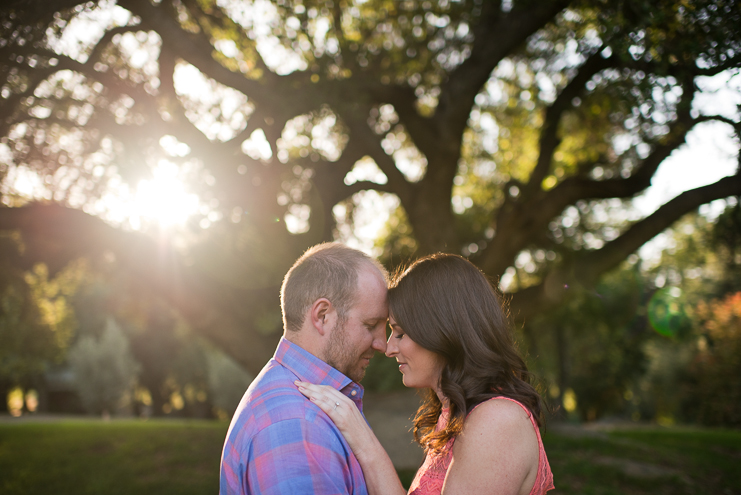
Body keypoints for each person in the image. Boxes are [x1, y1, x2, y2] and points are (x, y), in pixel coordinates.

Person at [296, 253, 554, 495]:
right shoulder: (457, 416)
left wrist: (363, 439)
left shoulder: (497, 420)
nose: (388, 348)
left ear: (441, 330)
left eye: (400, 332)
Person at [220, 242, 389, 495]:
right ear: (322, 316)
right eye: (371, 324)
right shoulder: (299, 427)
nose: (382, 344)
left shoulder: (298, 401)